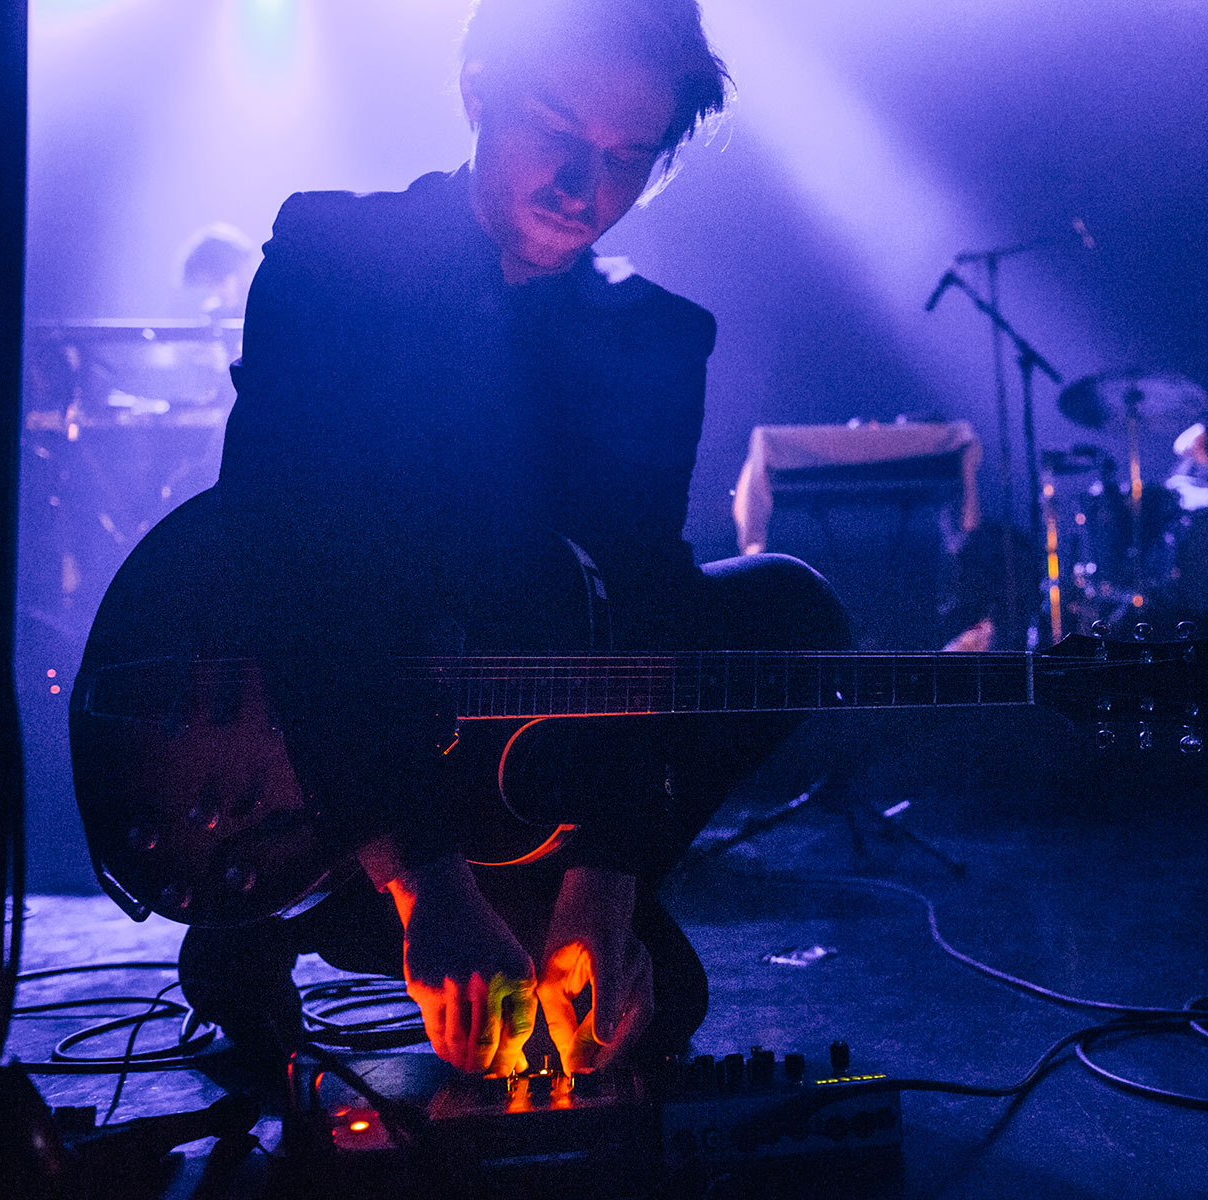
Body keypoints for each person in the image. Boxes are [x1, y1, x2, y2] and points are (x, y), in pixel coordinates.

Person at [178, 0, 848, 1081]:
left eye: (630, 159)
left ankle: (538, 888)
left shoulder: (654, 340)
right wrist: (424, 882)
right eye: (558, 134)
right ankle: (305, 906)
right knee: (324, 585)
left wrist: (608, 876)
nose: (587, 191)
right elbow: (283, 568)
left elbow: (643, 602)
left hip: (512, 744)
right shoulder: (334, 256)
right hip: (331, 762)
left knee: (785, 614)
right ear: (477, 88)